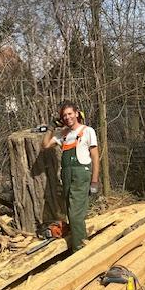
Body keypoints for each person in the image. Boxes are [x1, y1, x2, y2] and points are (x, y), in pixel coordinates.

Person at [42, 100, 99, 251]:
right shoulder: (64, 135)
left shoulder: (87, 131)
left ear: (76, 113)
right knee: (70, 213)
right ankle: (76, 243)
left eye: (70, 114)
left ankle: (80, 250)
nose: (67, 117)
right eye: (64, 116)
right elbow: (45, 144)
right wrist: (51, 127)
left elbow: (95, 156)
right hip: (67, 177)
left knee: (75, 215)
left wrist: (94, 181)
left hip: (81, 175)